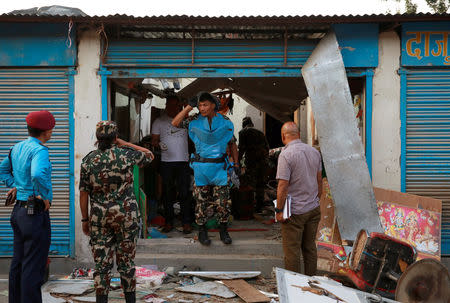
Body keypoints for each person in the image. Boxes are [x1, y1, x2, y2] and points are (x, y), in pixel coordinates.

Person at [79, 121, 154, 303]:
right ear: (115, 137)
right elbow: (149, 155)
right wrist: (125, 143)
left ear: (97, 139)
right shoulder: (126, 155)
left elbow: (83, 193)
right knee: (126, 263)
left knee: (102, 265)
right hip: (126, 216)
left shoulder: (89, 160)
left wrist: (85, 220)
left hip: (99, 218)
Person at [0, 111, 54, 303]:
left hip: (19, 212)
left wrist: (15, 185)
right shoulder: (39, 150)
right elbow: (38, 174)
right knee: (33, 267)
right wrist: (45, 196)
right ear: (46, 131)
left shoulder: (17, 147)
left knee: (18, 262)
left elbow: (3, 169)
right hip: (34, 213)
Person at [172, 91, 239, 246]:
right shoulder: (194, 120)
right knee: (200, 202)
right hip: (201, 168)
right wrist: (189, 106)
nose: (201, 108)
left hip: (220, 168)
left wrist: (236, 165)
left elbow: (232, 143)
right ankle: (202, 232)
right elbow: (175, 123)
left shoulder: (225, 121)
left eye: (205, 105)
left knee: (223, 202)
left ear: (213, 106)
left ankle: (223, 231)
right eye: (200, 105)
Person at [275, 122, 322, 276]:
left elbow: (282, 185)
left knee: (292, 252)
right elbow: (319, 180)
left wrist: (279, 210)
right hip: (313, 208)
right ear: (299, 134)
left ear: (283, 137)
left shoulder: (286, 155)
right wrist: (315, 200)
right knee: (310, 248)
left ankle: (294, 287)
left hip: (294, 212)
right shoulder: (314, 152)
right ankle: (312, 283)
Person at [151, 96, 192, 234]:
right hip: (167, 162)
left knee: (185, 192)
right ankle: (168, 222)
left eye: (176, 105)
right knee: (168, 193)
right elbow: (154, 140)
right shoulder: (159, 121)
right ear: (166, 105)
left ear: (179, 106)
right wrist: (158, 144)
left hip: (183, 161)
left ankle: (186, 222)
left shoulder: (186, 121)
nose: (173, 108)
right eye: (170, 105)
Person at [238, 117, 269, 213]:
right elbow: (267, 147)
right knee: (261, 184)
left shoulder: (242, 132)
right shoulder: (260, 133)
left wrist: (237, 162)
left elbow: (241, 149)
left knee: (250, 184)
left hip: (252, 162)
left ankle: (249, 205)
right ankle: (259, 206)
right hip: (263, 162)